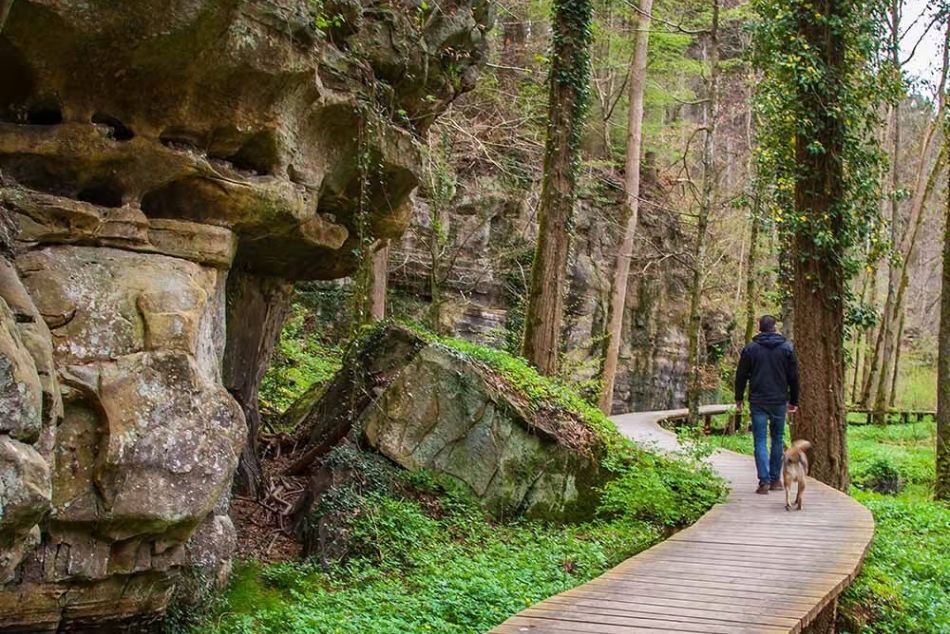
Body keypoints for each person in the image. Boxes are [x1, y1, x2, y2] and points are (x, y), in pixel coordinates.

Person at [734, 315, 800, 494]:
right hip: (779, 401)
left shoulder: (750, 349)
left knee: (760, 440)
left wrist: (738, 397)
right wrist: (794, 400)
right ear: (775, 327)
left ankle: (763, 482)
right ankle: (775, 480)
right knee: (777, 439)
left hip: (758, 401)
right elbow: (794, 377)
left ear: (760, 328)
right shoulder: (787, 348)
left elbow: (741, 375)